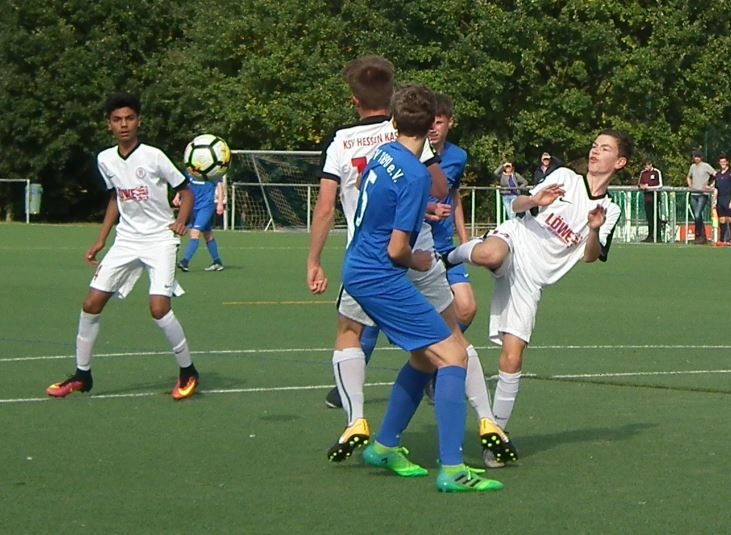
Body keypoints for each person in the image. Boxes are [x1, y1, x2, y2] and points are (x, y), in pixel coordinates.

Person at [309, 56, 511, 470]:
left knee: (350, 332)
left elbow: (327, 206)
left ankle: (356, 417)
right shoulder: (406, 138)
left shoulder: (346, 142)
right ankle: (484, 420)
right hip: (410, 253)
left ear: (354, 99)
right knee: (451, 343)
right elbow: (436, 186)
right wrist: (424, 203)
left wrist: (314, 259)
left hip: (367, 256)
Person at [344, 84, 503, 493]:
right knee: (453, 356)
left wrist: (420, 210)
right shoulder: (417, 175)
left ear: (393, 120)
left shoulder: (383, 153)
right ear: (432, 123)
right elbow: (398, 249)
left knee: (423, 358)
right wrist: (417, 259)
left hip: (359, 267)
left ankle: (384, 446)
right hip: (380, 275)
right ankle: (453, 469)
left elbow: (374, 197)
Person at [445, 129, 634, 452]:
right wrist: (535, 200)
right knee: (491, 254)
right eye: (594, 145)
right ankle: (448, 257)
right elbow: (518, 205)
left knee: (513, 357)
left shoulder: (609, 210)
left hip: (532, 279)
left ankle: (496, 437)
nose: (595, 151)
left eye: (605, 148)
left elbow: (590, 256)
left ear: (619, 162)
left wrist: (593, 229)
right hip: (515, 240)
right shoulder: (564, 177)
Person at [46, 92, 200, 401]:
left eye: (129, 118)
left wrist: (181, 221)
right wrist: (101, 239)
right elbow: (115, 198)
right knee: (91, 304)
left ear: (139, 121)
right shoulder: (105, 159)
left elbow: (186, 192)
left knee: (159, 309)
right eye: (117, 120)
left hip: (159, 239)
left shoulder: (154, 156)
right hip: (126, 241)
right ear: (109, 125)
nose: (124, 124)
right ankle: (82, 375)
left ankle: (188, 371)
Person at [427, 94, 476, 331]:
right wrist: (427, 213)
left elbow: (454, 196)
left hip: (445, 246)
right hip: (414, 245)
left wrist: (464, 240)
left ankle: (439, 349)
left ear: (450, 123)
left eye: (438, 122)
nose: (432, 128)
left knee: (466, 307)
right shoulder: (411, 155)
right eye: (428, 122)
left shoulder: (458, 157)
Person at [175, 169, 225, 271]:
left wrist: (220, 203)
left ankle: (185, 262)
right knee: (208, 235)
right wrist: (178, 196)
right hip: (194, 206)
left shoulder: (211, 170)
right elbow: (185, 185)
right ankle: (217, 262)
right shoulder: (190, 170)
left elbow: (220, 186)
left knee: (194, 232)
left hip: (206, 206)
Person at [686, 150, 715, 244]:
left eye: (698, 157)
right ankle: (700, 236)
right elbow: (688, 177)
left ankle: (701, 235)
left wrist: (710, 186)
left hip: (703, 194)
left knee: (697, 214)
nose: (696, 158)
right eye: (695, 157)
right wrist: (690, 185)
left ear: (701, 157)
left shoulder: (706, 166)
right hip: (694, 194)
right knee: (696, 216)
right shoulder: (692, 167)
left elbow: (716, 175)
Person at [637, 159, 664, 242]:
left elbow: (660, 185)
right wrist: (642, 186)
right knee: (649, 217)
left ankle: (658, 237)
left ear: (651, 164)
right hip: (647, 198)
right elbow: (639, 184)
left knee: (656, 217)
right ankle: (650, 236)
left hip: (655, 198)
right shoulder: (643, 173)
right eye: (644, 166)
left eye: (647, 165)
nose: (645, 167)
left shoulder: (657, 172)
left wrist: (648, 187)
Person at [712, 155, 731, 245]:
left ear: (727, 162)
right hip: (720, 199)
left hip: (728, 197)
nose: (722, 163)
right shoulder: (718, 175)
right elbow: (716, 188)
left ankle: (729, 239)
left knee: (729, 219)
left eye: (724, 162)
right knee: (722, 219)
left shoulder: (730, 173)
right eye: (721, 162)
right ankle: (722, 240)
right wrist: (714, 200)